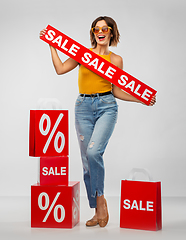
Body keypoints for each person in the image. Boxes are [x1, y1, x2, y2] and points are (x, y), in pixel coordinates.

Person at [40, 16, 156, 228]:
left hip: (106, 107)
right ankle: (97, 210)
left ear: (111, 32)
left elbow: (118, 90)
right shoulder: (81, 55)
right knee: (87, 163)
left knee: (94, 152)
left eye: (105, 28)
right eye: (96, 28)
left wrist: (140, 99)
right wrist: (52, 46)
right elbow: (60, 69)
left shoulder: (116, 60)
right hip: (83, 107)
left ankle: (100, 201)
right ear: (93, 33)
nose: (100, 31)